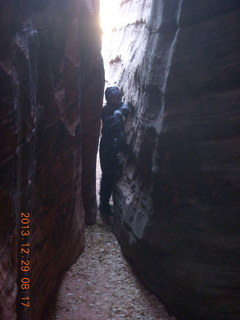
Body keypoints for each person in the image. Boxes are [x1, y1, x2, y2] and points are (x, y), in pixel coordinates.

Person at [99, 86, 129, 225]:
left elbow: (126, 107)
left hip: (115, 145)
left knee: (112, 174)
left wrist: (119, 111)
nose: (116, 99)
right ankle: (104, 205)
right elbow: (110, 121)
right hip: (107, 146)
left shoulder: (119, 106)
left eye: (118, 96)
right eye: (113, 97)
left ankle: (106, 203)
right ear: (108, 99)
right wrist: (117, 114)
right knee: (107, 175)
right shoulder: (106, 110)